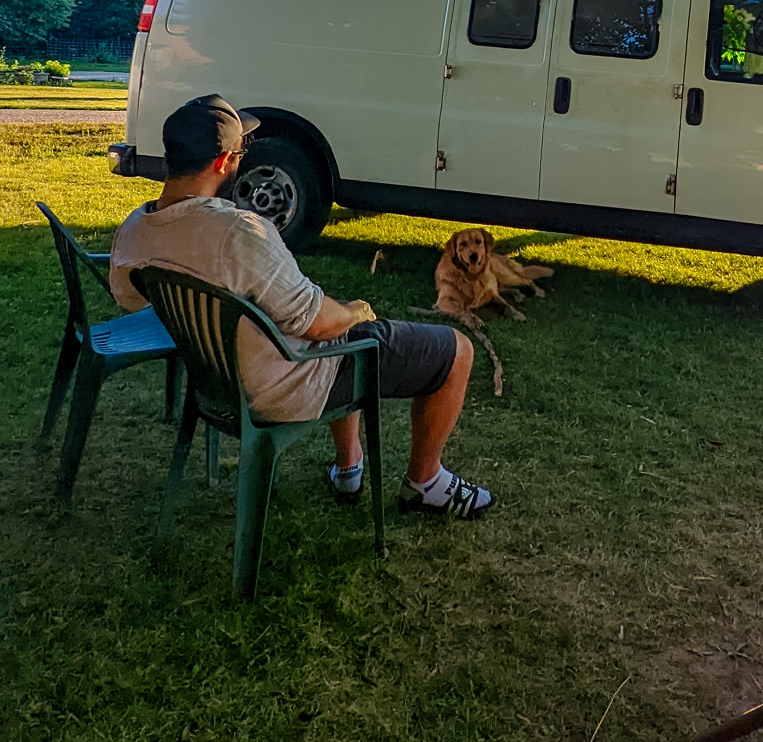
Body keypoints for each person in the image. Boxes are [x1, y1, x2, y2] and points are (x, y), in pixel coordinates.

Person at [109, 93, 493, 518]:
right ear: (223, 163)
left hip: (214, 385)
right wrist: (357, 311)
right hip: (283, 386)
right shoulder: (239, 233)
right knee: (456, 349)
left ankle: (350, 467)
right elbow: (316, 324)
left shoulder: (137, 229)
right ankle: (426, 482)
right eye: (242, 150)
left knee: (333, 321)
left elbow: (129, 297)